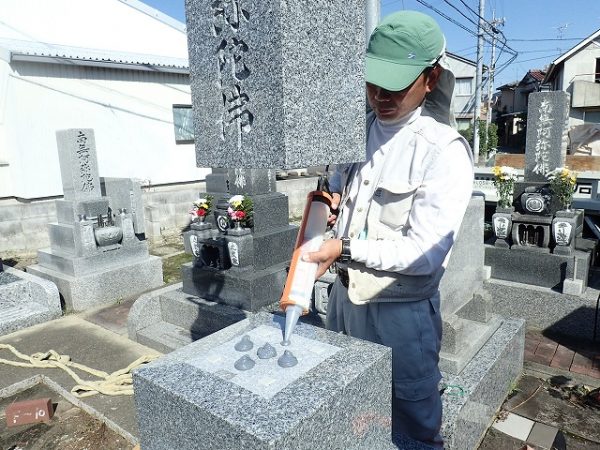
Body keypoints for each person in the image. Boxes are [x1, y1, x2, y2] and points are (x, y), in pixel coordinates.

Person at [303, 11, 474, 449]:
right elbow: (338, 191)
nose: (380, 95)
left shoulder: (442, 152)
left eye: (394, 85)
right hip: (344, 299)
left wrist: (344, 246)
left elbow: (424, 254)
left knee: (413, 422)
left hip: (401, 311)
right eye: (372, 81)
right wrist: (330, 205)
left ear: (430, 78)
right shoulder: (357, 132)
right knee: (353, 408)